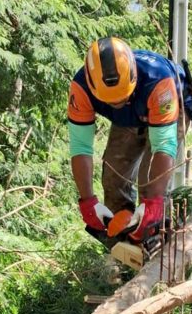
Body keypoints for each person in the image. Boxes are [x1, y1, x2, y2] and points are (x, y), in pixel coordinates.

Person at [68, 37, 184, 244]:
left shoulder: (159, 81)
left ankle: (155, 241)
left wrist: (154, 203)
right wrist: (87, 201)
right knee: (113, 178)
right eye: (110, 100)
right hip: (128, 118)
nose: (117, 102)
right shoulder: (81, 89)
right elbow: (80, 148)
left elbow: (164, 146)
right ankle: (121, 243)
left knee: (150, 184)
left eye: (121, 98)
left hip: (166, 110)